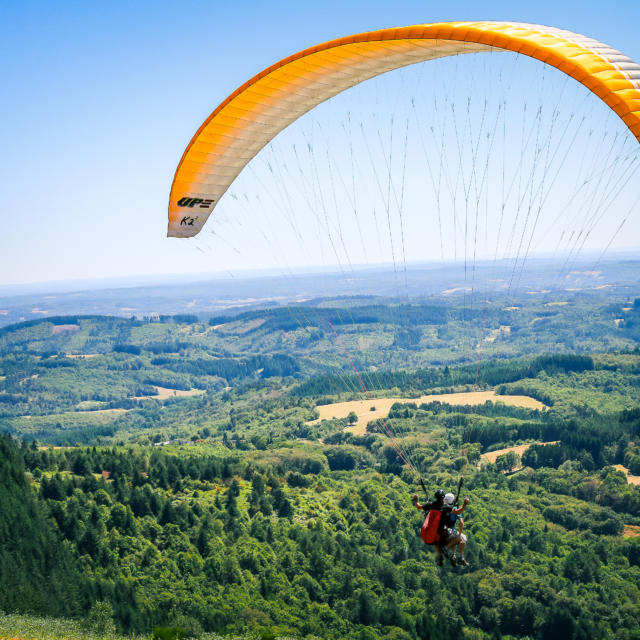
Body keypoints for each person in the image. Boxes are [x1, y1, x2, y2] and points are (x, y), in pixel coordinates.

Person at [412, 488, 470, 567]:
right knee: (460, 537)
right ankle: (449, 551)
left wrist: (415, 499)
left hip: (434, 535)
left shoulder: (430, 505)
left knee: (437, 540)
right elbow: (458, 511)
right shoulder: (445, 507)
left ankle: (440, 557)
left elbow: (419, 507)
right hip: (442, 534)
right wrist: (465, 504)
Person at [441, 492, 470, 567]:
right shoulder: (454, 509)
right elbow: (461, 523)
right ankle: (447, 548)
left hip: (443, 532)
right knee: (461, 537)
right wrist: (464, 504)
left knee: (457, 538)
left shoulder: (442, 507)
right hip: (448, 532)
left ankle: (455, 555)